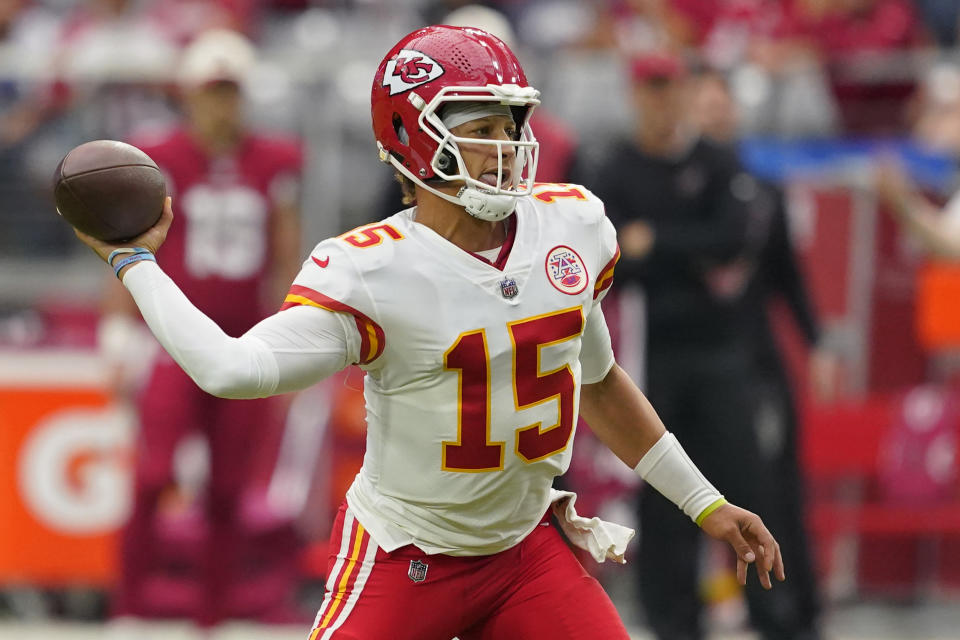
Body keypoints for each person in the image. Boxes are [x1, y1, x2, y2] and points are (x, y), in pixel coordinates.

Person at [77, 26, 784, 640]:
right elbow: (233, 370)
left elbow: (596, 382)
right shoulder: (372, 270)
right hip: (406, 556)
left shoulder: (570, 225)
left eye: (510, 123)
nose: (504, 145)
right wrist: (133, 262)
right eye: (479, 128)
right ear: (414, 139)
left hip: (522, 550)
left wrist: (707, 503)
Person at [99, 28, 305, 628]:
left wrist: (290, 339)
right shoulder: (156, 158)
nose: (222, 105)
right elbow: (125, 246)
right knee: (153, 473)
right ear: (189, 95)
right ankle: (129, 610)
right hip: (171, 340)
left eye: (231, 92)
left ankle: (210, 618)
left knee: (227, 490)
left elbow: (283, 257)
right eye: (213, 92)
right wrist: (119, 335)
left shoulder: (275, 160)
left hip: (244, 339)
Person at [586, 52, 791, 640]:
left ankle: (771, 615)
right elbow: (611, 257)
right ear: (635, 96)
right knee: (661, 487)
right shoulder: (616, 166)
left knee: (746, 480)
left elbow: (728, 240)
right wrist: (676, 250)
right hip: (652, 352)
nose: (661, 100)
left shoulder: (716, 160)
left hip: (721, 351)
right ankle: (673, 622)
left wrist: (656, 242)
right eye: (650, 89)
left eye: (669, 88)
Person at [691, 65, 836, 639]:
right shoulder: (679, 187)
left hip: (757, 366)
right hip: (692, 364)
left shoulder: (761, 193)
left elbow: (787, 279)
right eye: (704, 106)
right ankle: (689, 613)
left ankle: (792, 614)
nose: (716, 116)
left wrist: (817, 342)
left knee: (775, 491)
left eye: (722, 105)